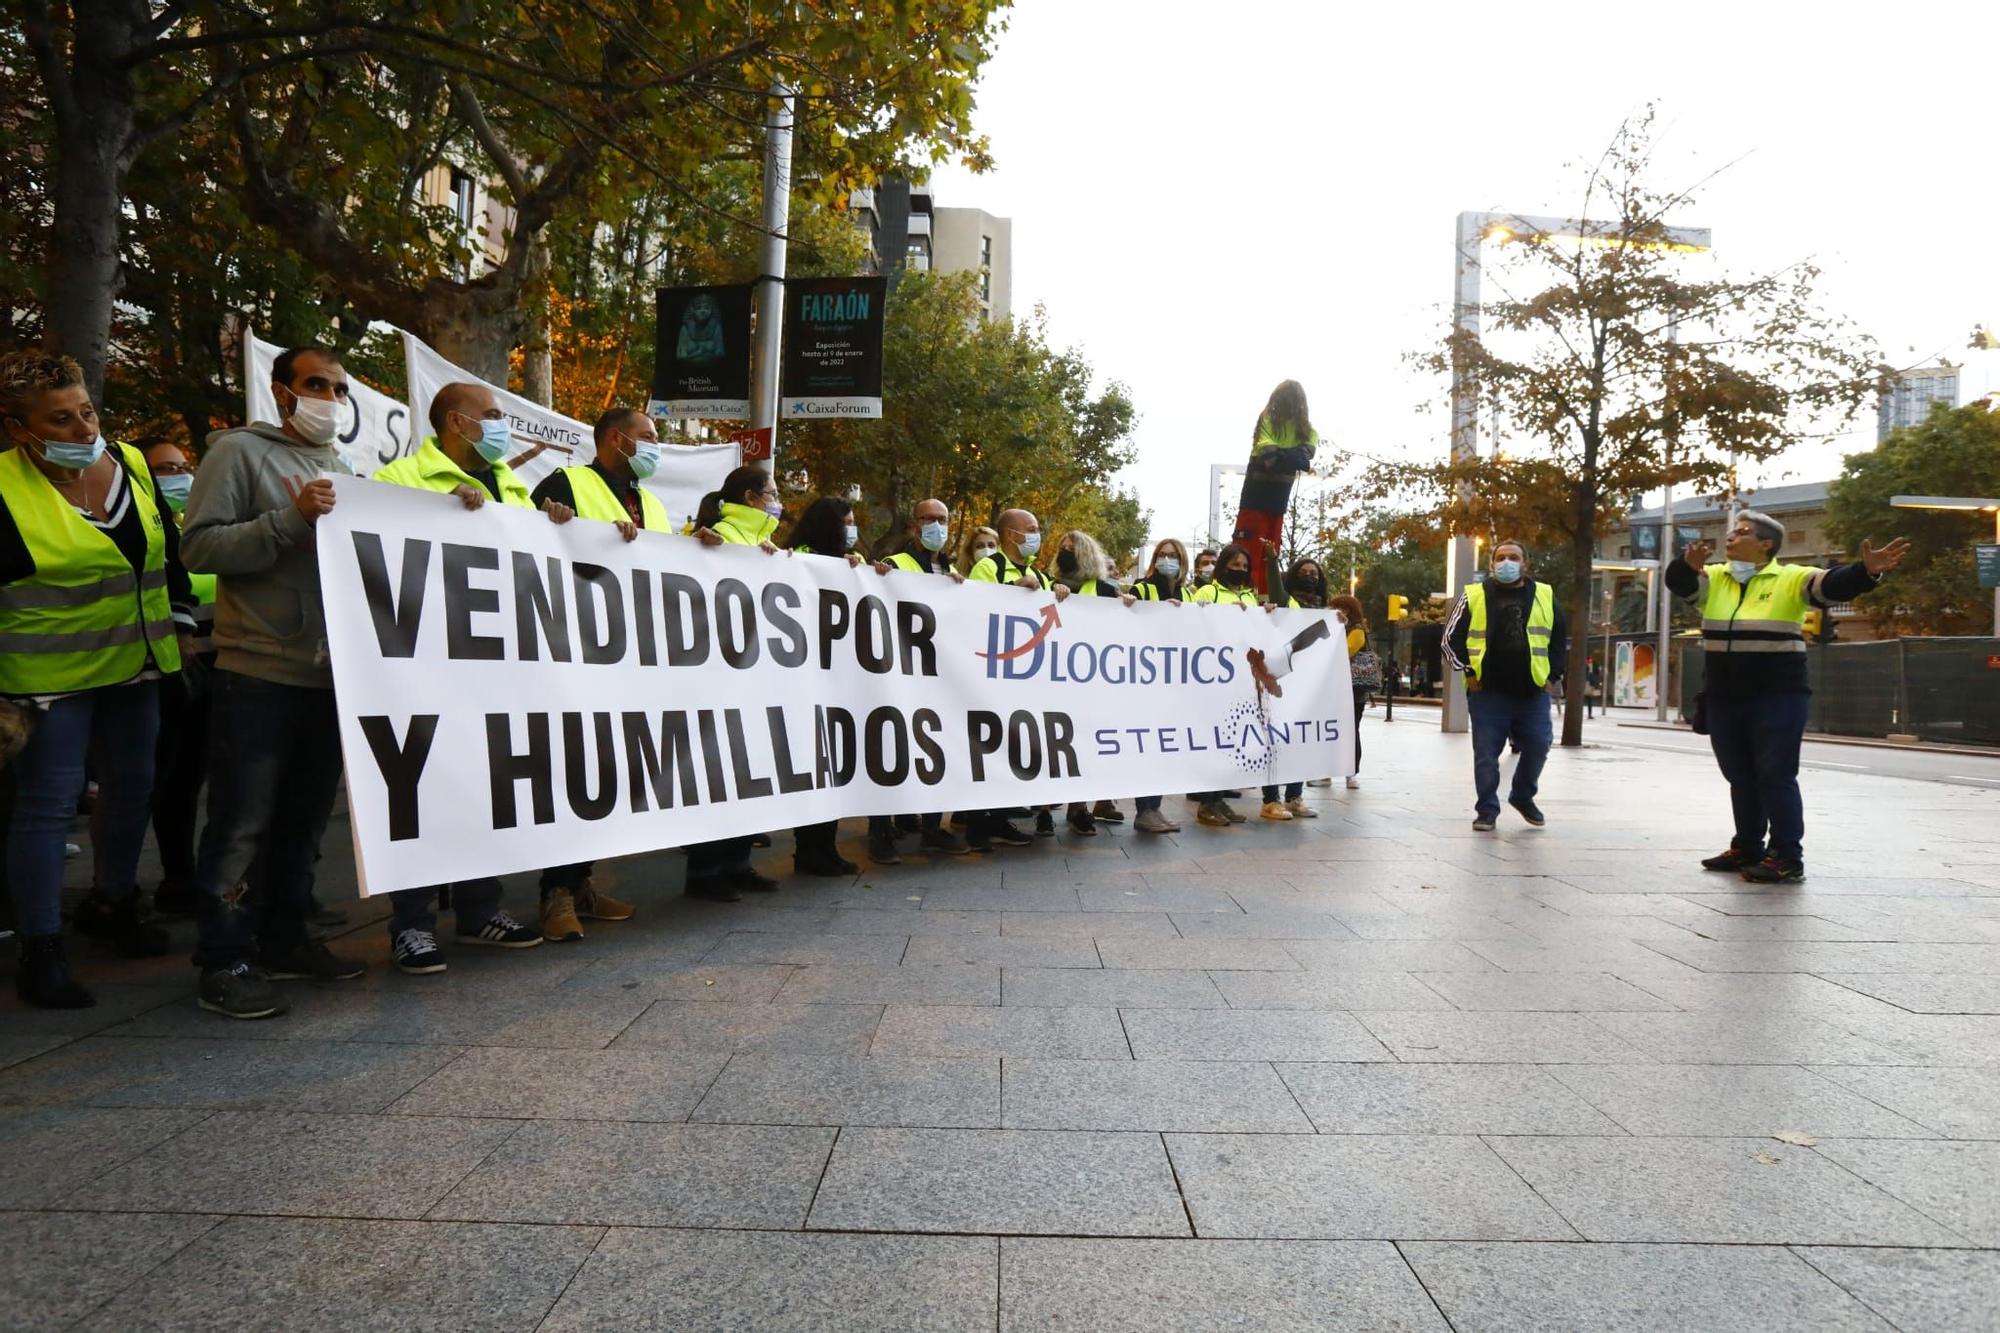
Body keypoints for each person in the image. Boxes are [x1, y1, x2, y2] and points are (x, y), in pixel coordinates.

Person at [2, 351, 193, 1007]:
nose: (85, 430)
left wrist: (186, 621)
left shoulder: (132, 465)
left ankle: (114, 902)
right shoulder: (3, 488)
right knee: (50, 805)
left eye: (87, 411)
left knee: (132, 789)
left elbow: (166, 556)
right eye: (61, 419)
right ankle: (41, 945)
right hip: (48, 679)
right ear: (21, 429)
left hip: (137, 666)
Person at [178, 345, 364, 1018]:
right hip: (258, 671)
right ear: (283, 391)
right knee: (240, 823)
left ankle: (284, 939)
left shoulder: (341, 467)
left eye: (340, 388)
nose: (331, 398)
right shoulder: (237, 453)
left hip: (327, 674)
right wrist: (291, 521)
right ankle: (222, 958)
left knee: (304, 820)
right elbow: (199, 546)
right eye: (317, 384)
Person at [368, 382, 555, 970]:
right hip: (422, 669)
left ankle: (480, 911)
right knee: (421, 789)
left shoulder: (515, 488)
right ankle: (412, 923)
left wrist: (556, 526)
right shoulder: (398, 481)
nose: (503, 425)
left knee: (487, 788)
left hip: (496, 670)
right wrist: (441, 514)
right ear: (457, 421)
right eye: (494, 416)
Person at [1670, 513, 1909, 883]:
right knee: (1739, 775)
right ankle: (1747, 845)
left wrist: (1866, 571)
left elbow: (1833, 586)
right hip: (1724, 696)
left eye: (1742, 532)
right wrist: (1685, 565)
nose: (1731, 537)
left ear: (1766, 544)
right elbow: (1681, 584)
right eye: (1732, 532)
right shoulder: (1715, 577)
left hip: (1777, 695)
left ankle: (1786, 855)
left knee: (1775, 773)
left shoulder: (1791, 577)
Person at [518, 406, 662, 939]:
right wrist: (552, 520)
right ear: (617, 439)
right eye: (647, 436)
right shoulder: (567, 483)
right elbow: (524, 546)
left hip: (628, 661)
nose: (655, 445)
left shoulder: (649, 502)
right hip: (574, 654)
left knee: (604, 777)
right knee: (573, 773)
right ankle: (554, 894)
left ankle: (582, 883)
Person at [683, 465, 786, 899]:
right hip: (717, 677)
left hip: (755, 676)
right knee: (716, 774)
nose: (778, 500)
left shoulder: (764, 542)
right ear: (750, 497)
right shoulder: (715, 535)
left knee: (749, 773)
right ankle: (705, 872)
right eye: (772, 492)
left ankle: (738, 861)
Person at [868, 499, 970, 863]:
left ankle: (931, 829)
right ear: (914, 526)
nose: (936, 526)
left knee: (935, 753)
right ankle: (880, 835)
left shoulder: (951, 570)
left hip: (938, 680)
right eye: (929, 519)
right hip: (899, 675)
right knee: (890, 753)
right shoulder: (896, 565)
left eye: (943, 519)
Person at [1443, 540, 1568, 832]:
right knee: (1486, 753)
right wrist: (1469, 672)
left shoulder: (1545, 595)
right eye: (1501, 558)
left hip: (1532, 690)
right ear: (1491, 563)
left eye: (1513, 557)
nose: (1506, 563)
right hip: (1489, 692)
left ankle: (1523, 796)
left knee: (1539, 744)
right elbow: (1450, 640)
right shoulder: (1473, 595)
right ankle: (1486, 809)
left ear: (1525, 563)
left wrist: (1554, 675)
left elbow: (1558, 640)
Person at [140, 441, 213, 918]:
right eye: (165, 468)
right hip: (178, 667)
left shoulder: (199, 515)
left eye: (183, 466)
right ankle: (178, 876)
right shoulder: (150, 527)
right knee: (178, 779)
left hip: (227, 661)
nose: (179, 475)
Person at [964, 508, 1067, 849]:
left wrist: (1061, 593)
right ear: (1012, 535)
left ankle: (999, 820)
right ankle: (977, 828)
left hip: (1024, 679)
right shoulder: (988, 567)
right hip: (989, 676)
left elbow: (1057, 616)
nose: (1037, 534)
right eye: (1032, 529)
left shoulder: (1039, 572)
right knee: (985, 747)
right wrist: (1012, 589)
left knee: (1007, 750)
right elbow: (973, 609)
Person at [781, 497, 866, 877]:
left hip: (837, 683)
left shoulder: (850, 562)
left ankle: (825, 847)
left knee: (833, 769)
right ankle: (809, 850)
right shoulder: (796, 557)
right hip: (804, 682)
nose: (851, 528)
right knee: (813, 769)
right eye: (845, 522)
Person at [1048, 530, 1130, 835]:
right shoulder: (1049, 584)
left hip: (1095, 681)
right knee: (1064, 744)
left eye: (1072, 547)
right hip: (1057, 679)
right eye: (1062, 547)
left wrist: (1128, 603)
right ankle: (1069, 805)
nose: (1066, 552)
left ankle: (1080, 806)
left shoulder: (1106, 589)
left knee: (1087, 744)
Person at [1187, 543, 1262, 826]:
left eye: (1245, 566)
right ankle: (1206, 802)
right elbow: (1193, 624)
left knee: (1231, 741)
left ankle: (1219, 799)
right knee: (1213, 741)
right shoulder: (1208, 592)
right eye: (1235, 565)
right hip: (1214, 678)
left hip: (1243, 680)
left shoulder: (1251, 597)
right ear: (1223, 566)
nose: (1240, 570)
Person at [1256, 556, 1330, 820]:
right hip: (1281, 680)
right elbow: (1277, 590)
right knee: (1275, 741)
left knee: (1301, 740)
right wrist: (1272, 563)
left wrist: (1339, 619)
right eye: (1304, 571)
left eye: (1314, 573)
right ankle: (1271, 799)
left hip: (1307, 686)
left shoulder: (1324, 610)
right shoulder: (1288, 602)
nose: (1309, 576)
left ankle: (1294, 796)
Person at [1233, 382, 1318, 596]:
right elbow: (1275, 458)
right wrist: (1297, 461)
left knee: (1265, 555)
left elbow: (1277, 456)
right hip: (1262, 501)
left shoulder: (1277, 425)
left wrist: (1285, 457)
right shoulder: (1273, 423)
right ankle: (1250, 597)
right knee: (1252, 555)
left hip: (1264, 501)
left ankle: (1260, 599)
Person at [1127, 540, 1188, 835]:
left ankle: (1155, 807)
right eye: (1162, 555)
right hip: (1146, 680)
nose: (1167, 560)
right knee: (1148, 747)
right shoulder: (1142, 588)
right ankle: (1143, 810)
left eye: (1173, 556)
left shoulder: (1187, 594)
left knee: (1164, 748)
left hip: (1175, 683)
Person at [1328, 593, 1376, 790]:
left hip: (1353, 691)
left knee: (1350, 731)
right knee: (1332, 732)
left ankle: (1351, 773)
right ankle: (1330, 771)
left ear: (1346, 610)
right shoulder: (1338, 628)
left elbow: (1345, 651)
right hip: (1338, 689)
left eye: (1335, 608)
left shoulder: (1355, 631)